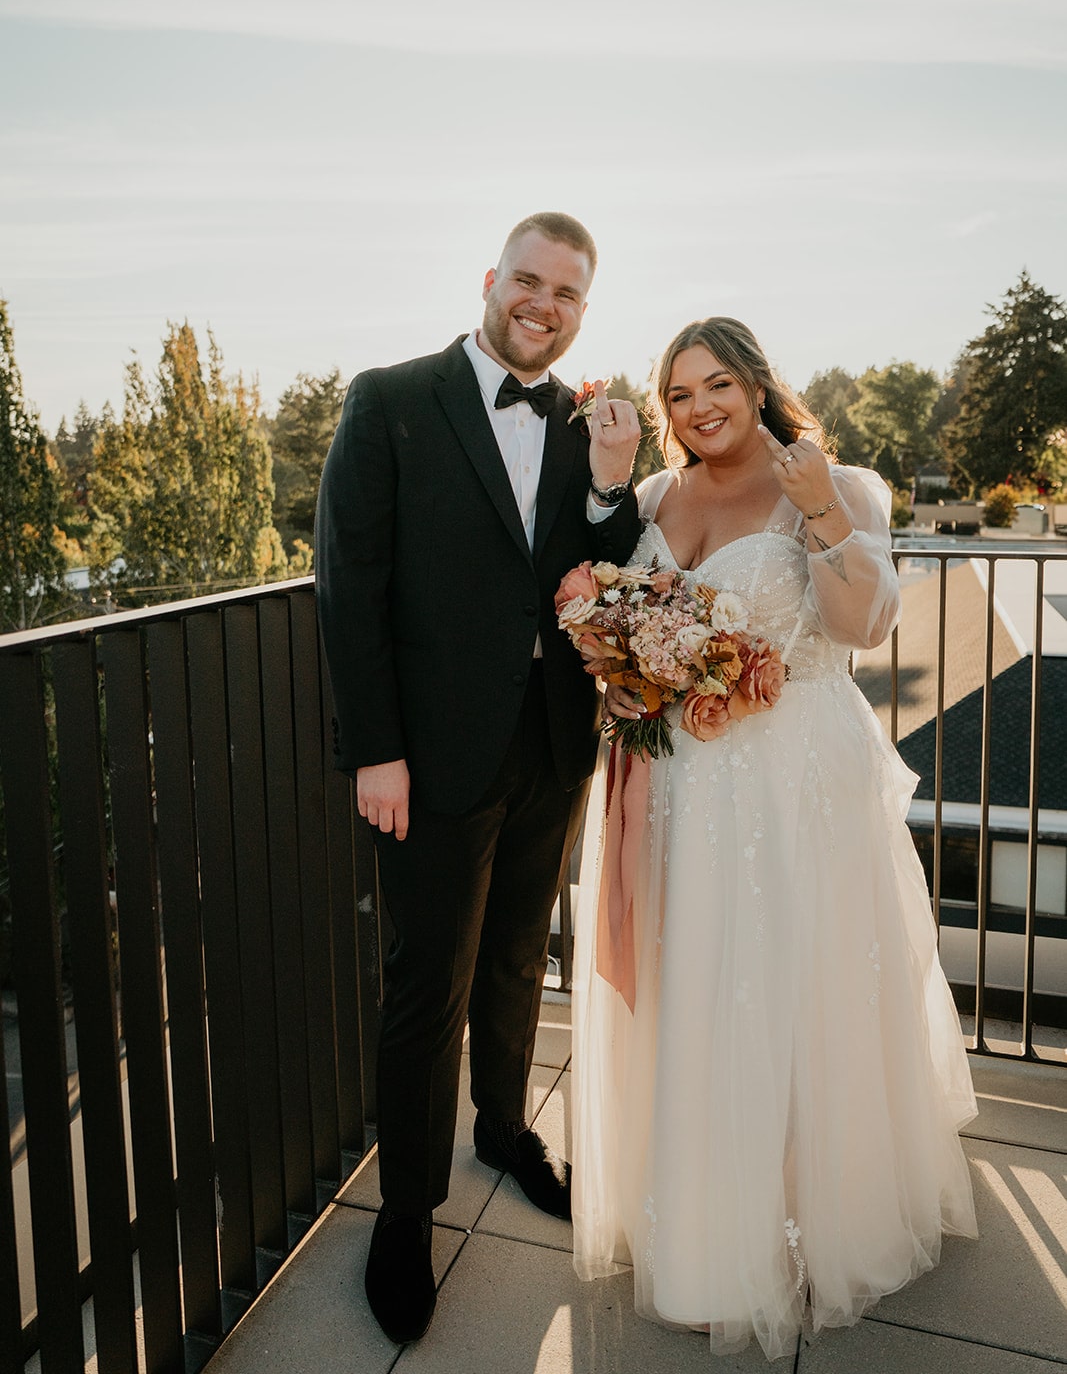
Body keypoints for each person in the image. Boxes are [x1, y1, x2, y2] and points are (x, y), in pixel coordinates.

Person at [571, 317, 977, 1361]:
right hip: (675, 786)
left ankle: (806, 1219)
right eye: (676, 394)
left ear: (754, 382)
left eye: (714, 383)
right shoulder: (658, 498)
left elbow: (864, 624)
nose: (696, 407)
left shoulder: (840, 478)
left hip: (791, 776)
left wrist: (818, 514)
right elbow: (609, 590)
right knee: (690, 991)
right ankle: (701, 1228)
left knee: (796, 988)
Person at [315, 212, 641, 1345]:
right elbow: (349, 588)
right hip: (426, 763)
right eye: (528, 281)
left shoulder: (577, 424)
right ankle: (405, 1211)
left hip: (548, 745)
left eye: (566, 293)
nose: (542, 304)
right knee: (425, 987)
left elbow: (595, 570)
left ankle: (504, 1129)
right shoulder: (390, 399)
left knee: (515, 956)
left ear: (580, 311)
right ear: (490, 281)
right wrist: (375, 749)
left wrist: (610, 484)